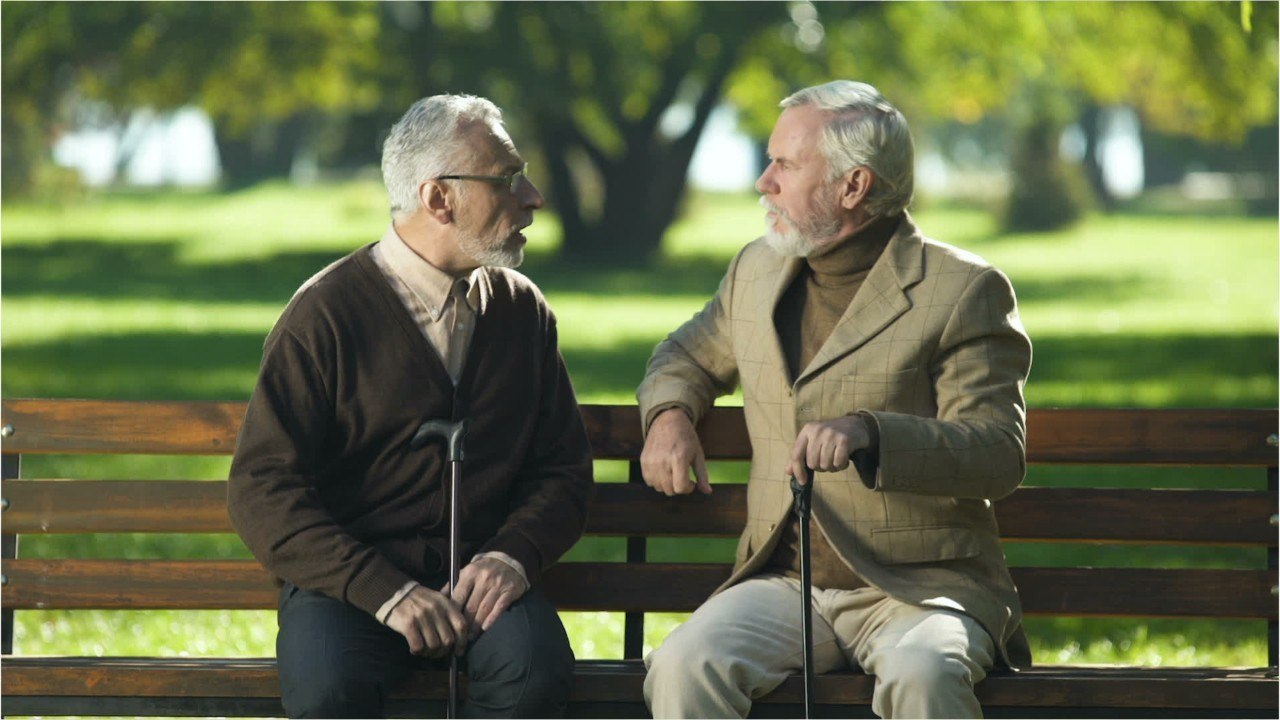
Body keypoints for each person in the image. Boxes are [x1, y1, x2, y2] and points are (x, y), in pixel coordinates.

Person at [637, 80, 1033, 719]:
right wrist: (671, 415)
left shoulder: (963, 289)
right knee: (685, 665)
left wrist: (872, 432)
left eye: (785, 165)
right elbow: (683, 356)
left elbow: (996, 451)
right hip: (786, 585)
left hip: (922, 589)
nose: (763, 182)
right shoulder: (757, 270)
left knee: (923, 675)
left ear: (854, 186)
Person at [227, 94, 594, 719]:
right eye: (507, 179)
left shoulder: (522, 311)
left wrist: (513, 555)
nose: (533, 196)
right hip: (347, 586)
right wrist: (385, 592)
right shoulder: (324, 316)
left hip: (485, 584)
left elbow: (562, 470)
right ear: (438, 198)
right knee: (327, 690)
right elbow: (262, 488)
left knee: (536, 674)